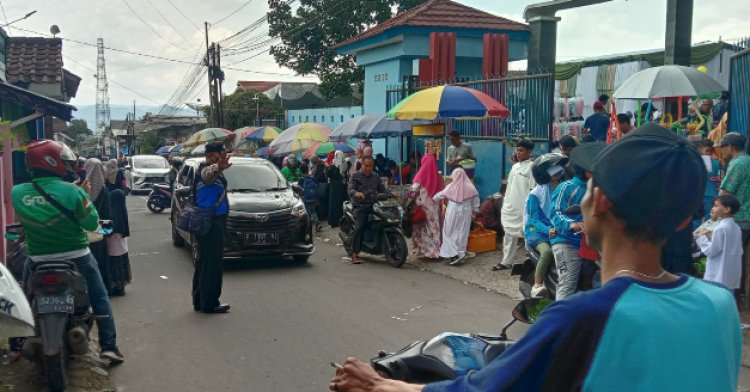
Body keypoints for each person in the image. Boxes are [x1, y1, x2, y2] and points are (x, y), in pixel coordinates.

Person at [328, 123, 741, 392]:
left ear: (598, 203)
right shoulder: (719, 305)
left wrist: (377, 385)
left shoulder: (584, 317)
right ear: (688, 216)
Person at [12, 140, 123, 363]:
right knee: (99, 297)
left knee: (22, 297)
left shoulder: (17, 193)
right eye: (63, 161)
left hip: (36, 259)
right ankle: (108, 346)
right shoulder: (74, 192)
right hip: (77, 256)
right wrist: (85, 197)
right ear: (53, 162)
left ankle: (16, 344)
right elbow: (92, 224)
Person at [550, 143, 600, 300]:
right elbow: (555, 212)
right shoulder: (567, 187)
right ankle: (559, 322)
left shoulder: (600, 190)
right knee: (567, 284)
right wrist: (571, 224)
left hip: (593, 245)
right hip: (567, 241)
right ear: (585, 170)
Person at [192, 142, 231, 314]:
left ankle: (200, 300)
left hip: (210, 222)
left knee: (204, 262)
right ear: (211, 156)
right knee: (212, 264)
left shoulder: (211, 171)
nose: (222, 156)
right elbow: (209, 175)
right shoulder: (206, 171)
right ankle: (210, 303)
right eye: (220, 154)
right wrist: (217, 167)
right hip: (211, 223)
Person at [525, 153, 568, 297]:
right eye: (554, 175)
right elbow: (533, 220)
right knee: (547, 252)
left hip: (554, 231)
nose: (557, 178)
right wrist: (548, 229)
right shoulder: (535, 195)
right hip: (536, 233)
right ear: (546, 177)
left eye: (559, 174)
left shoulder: (558, 191)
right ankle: (537, 286)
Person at [717, 132, 750, 305]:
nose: (721, 151)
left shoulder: (737, 163)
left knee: (730, 259)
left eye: (722, 147)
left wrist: (715, 212)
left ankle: (733, 297)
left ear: (730, 147)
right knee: (742, 259)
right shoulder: (748, 160)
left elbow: (726, 192)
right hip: (747, 219)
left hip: (738, 219)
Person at [493, 139, 535, 271]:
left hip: (523, 208)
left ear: (529, 151)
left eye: (521, 150)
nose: (518, 153)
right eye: (517, 150)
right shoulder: (515, 166)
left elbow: (533, 189)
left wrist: (530, 208)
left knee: (528, 235)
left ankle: (531, 262)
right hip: (510, 206)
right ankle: (506, 261)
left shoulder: (532, 167)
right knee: (509, 234)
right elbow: (509, 185)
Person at [695, 195, 742, 292]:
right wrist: (709, 235)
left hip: (718, 274)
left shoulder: (720, 228)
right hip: (731, 273)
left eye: (716, 206)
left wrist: (701, 238)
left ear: (726, 209)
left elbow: (711, 251)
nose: (712, 208)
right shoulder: (736, 227)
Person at [434, 168, 479, 266]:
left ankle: (454, 253)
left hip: (453, 210)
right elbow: (476, 202)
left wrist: (433, 199)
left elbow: (439, 196)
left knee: (449, 231)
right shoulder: (471, 187)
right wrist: (475, 212)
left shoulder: (451, 186)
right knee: (462, 231)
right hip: (466, 211)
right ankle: (461, 252)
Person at [347, 156, 386, 264]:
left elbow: (383, 189)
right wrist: (356, 193)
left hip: (374, 205)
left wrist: (391, 193)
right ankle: (354, 254)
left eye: (370, 166)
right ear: (362, 165)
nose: (368, 168)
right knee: (359, 227)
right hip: (360, 206)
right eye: (366, 166)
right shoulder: (355, 175)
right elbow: (350, 189)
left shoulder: (376, 176)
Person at [84, 158, 112, 293]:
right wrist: (107, 233)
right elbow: (107, 214)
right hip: (99, 232)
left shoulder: (81, 189)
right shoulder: (104, 190)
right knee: (101, 260)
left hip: (82, 232)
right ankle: (102, 288)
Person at [409, 154, 443, 260]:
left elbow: (413, 190)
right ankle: (435, 252)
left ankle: (426, 251)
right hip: (434, 207)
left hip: (422, 208)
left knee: (423, 229)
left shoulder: (421, 174)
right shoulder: (437, 176)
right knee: (434, 229)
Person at [106, 189, 131, 296]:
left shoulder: (112, 211)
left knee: (115, 265)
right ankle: (120, 286)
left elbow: (109, 229)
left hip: (113, 242)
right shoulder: (121, 211)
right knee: (121, 264)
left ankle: (116, 287)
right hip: (122, 242)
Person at [697, 140, 722, 222]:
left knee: (709, 215)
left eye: (710, 151)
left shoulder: (716, 163)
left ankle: (707, 231)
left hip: (710, 193)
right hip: (702, 192)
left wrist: (718, 178)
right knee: (699, 216)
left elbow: (720, 176)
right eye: (706, 150)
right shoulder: (697, 161)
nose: (708, 153)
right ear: (700, 150)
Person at [327, 151, 348, 227]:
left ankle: (336, 221)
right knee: (336, 203)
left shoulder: (341, 164)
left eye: (337, 155)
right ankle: (335, 221)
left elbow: (329, 175)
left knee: (337, 203)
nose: (336, 157)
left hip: (336, 187)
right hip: (338, 186)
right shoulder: (342, 164)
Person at [299, 164, 321, 232]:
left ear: (301, 171)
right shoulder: (312, 177)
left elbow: (299, 189)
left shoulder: (301, 179)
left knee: (308, 212)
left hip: (306, 198)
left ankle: (311, 225)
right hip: (314, 197)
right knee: (313, 211)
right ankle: (316, 222)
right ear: (308, 169)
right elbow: (318, 185)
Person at [310, 155, 328, 221]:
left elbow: (321, 176)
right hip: (320, 185)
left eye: (311, 160)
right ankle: (322, 215)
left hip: (321, 185)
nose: (311, 162)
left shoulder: (320, 166)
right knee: (321, 201)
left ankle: (323, 216)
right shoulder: (316, 166)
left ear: (313, 161)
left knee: (321, 201)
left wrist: (313, 178)